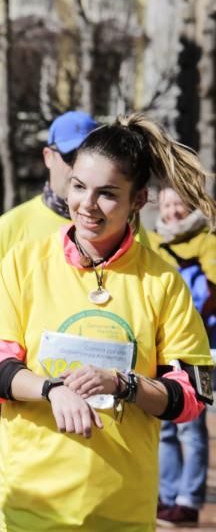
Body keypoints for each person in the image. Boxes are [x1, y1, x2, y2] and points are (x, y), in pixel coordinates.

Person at [0, 113, 216, 530]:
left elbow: (194, 394)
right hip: (33, 506)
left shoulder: (162, 282)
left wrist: (124, 383)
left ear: (138, 200)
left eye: (107, 194)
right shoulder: (26, 262)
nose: (86, 204)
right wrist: (52, 390)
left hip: (123, 513)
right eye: (79, 187)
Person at [149, 187, 216, 527]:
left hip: (196, 347)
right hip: (160, 346)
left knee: (192, 427)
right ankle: (167, 496)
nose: (173, 211)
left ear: (190, 205)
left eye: (178, 204)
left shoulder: (207, 238)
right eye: (166, 204)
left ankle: (189, 500)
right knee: (166, 428)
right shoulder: (150, 240)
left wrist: (189, 321)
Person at [0, 110, 97, 267]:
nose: (79, 165)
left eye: (87, 156)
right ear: (48, 157)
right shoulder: (7, 228)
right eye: (70, 155)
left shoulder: (119, 227)